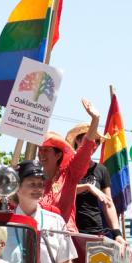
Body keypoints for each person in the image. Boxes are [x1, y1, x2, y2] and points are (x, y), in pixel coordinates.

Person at [14, 160, 78, 263]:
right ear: (17, 187)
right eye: (31, 184)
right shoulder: (6, 223)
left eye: (40, 184)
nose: (38, 188)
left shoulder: (55, 221)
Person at [38, 98, 101, 232]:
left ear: (58, 155)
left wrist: (95, 119)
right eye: (40, 150)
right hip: (36, 239)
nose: (42, 155)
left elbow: (84, 150)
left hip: (64, 240)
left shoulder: (69, 175)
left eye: (47, 150)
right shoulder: (33, 178)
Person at [64, 123, 126, 246]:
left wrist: (117, 234)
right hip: (68, 232)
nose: (94, 145)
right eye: (91, 140)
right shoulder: (66, 166)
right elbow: (61, 190)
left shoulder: (101, 170)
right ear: (78, 140)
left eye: (98, 142)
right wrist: (88, 187)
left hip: (95, 233)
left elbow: (108, 204)